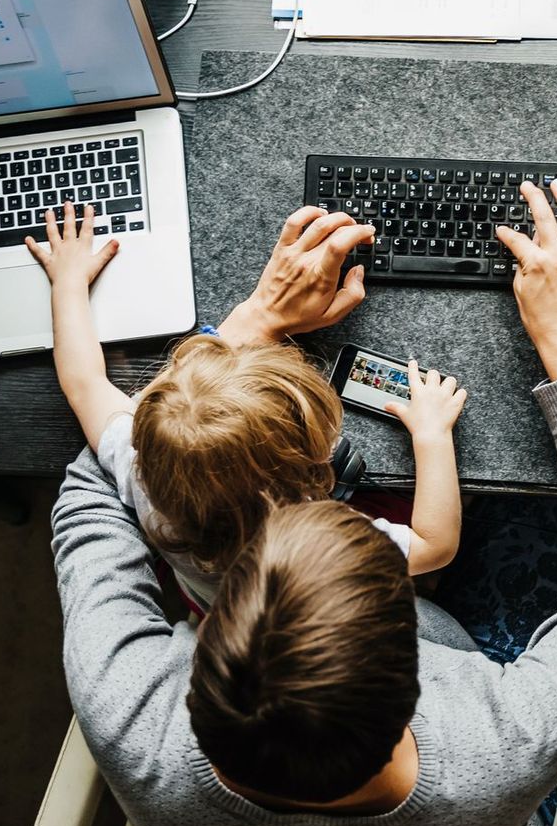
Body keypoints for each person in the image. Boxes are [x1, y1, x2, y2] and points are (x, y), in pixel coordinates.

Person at [47, 184, 557, 826]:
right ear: (418, 677)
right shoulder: (500, 742)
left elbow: (97, 481)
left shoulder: (124, 713)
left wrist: (251, 328)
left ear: (204, 642)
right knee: (534, 521)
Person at [24, 203, 468, 609]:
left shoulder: (138, 464)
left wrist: (67, 282)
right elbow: (435, 545)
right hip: (307, 599)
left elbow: (83, 382)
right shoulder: (322, 542)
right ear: (318, 465)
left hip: (214, 601)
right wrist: (432, 435)